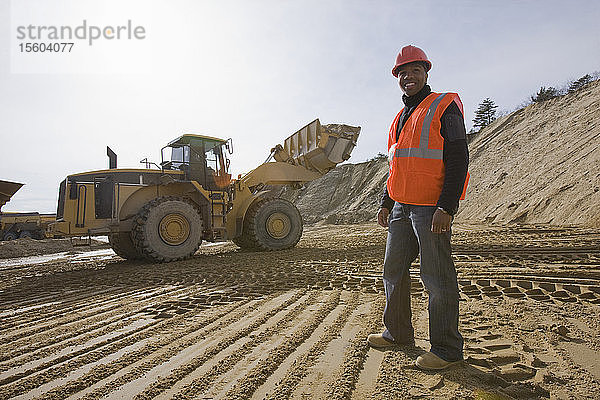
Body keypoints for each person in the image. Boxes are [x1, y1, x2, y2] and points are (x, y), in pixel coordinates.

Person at [367, 45, 469, 371]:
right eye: (402, 72)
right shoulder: (399, 118)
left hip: (430, 208)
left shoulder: (444, 105)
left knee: (436, 277)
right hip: (400, 206)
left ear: (426, 72)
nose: (408, 77)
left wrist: (447, 206)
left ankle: (447, 350)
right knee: (393, 271)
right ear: (397, 78)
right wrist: (386, 202)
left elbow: (458, 157)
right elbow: (397, 167)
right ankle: (397, 333)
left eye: (414, 70)